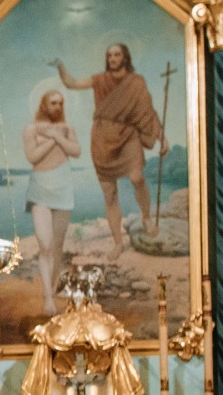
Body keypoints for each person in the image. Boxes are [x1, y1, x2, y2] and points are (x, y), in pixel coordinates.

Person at [51, 44, 163, 251]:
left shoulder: (136, 83)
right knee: (110, 193)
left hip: (128, 135)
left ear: (125, 57)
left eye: (117, 54)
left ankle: (146, 218)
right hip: (102, 138)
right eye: (109, 55)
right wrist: (60, 66)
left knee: (136, 177)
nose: (112, 58)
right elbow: (72, 83)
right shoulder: (100, 80)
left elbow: (148, 112)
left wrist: (162, 139)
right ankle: (118, 243)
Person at [22, 81, 81, 312]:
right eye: (52, 102)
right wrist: (53, 139)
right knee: (44, 244)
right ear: (44, 105)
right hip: (41, 191)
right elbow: (32, 157)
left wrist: (59, 136)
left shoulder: (67, 127)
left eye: (60, 103)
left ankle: (52, 291)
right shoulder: (32, 129)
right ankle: (47, 297)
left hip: (63, 188)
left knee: (57, 245)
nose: (57, 106)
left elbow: (75, 152)